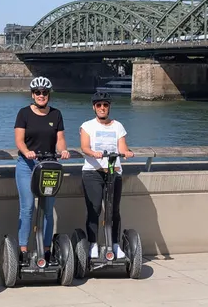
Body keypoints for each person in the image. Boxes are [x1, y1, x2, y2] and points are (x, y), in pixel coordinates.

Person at [13, 76, 69, 259]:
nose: (41, 95)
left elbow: (60, 139)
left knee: (47, 208)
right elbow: (19, 141)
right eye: (37, 92)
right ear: (32, 94)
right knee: (27, 208)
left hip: (49, 166)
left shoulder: (56, 114)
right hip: (27, 166)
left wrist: (64, 151)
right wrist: (27, 152)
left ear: (48, 95)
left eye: (44, 93)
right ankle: (23, 250)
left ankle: (46, 250)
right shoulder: (24, 113)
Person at [79, 90, 134, 259]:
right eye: (99, 105)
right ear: (94, 107)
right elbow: (84, 147)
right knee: (94, 208)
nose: (102, 108)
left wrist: (127, 153)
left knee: (113, 210)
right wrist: (93, 153)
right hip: (93, 172)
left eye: (105, 105)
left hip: (113, 172)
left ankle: (115, 244)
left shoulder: (118, 126)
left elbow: (122, 147)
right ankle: (93, 244)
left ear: (109, 107)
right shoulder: (87, 126)